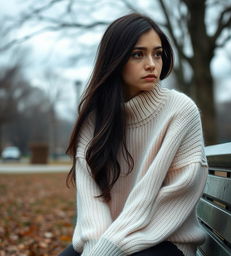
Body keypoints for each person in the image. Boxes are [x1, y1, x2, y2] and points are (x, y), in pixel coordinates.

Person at [59, 13, 208, 256]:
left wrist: (110, 248)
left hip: (164, 242)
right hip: (108, 240)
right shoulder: (95, 119)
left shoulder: (181, 111)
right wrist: (99, 247)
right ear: (115, 60)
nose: (151, 64)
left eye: (157, 53)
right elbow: (91, 199)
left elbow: (173, 198)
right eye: (138, 54)